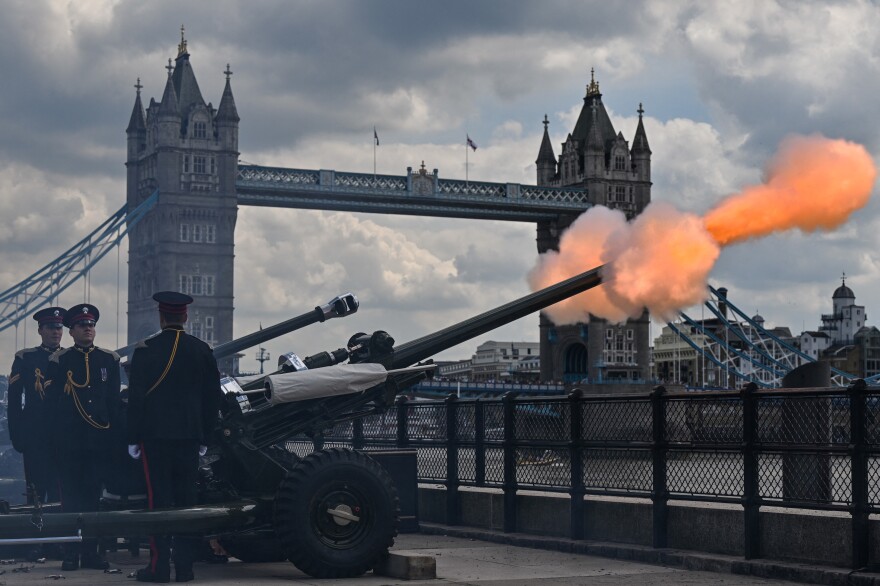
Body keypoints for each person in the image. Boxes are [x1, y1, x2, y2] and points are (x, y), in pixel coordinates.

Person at [126, 291, 222, 583]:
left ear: (161, 316)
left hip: (155, 438)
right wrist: (205, 436)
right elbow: (212, 399)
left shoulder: (145, 351)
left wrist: (133, 437)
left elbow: (136, 399)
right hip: (191, 438)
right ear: (185, 316)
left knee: (158, 502)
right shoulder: (201, 350)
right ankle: (184, 568)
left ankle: (158, 567)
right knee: (186, 502)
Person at [45, 303, 120, 571]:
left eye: (91, 325)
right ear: (71, 331)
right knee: (71, 501)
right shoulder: (60, 361)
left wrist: (115, 440)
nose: (88, 329)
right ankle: (70, 552)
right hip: (70, 443)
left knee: (93, 500)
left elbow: (113, 404)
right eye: (82, 325)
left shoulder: (108, 360)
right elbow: (52, 407)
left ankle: (91, 552)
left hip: (97, 442)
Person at [7, 307, 66, 506]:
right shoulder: (26, 358)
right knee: (35, 495)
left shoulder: (70, 357)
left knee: (62, 494)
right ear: (40, 330)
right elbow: (14, 403)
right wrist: (17, 436)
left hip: (63, 436)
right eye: (51, 328)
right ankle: (36, 535)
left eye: (59, 328)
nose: (56, 332)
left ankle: (63, 536)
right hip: (35, 437)